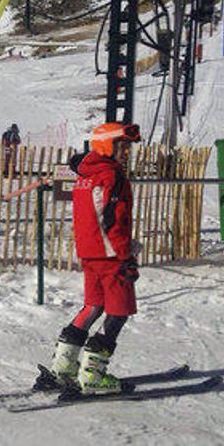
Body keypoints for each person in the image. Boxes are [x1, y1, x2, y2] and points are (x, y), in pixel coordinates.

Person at [44, 122, 141, 395]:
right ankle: (93, 376)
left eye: (127, 147)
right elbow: (112, 218)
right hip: (111, 255)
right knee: (119, 312)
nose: (126, 153)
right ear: (106, 145)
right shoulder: (112, 175)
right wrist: (126, 256)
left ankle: (63, 366)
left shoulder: (86, 173)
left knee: (93, 306)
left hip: (89, 252)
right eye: (121, 146)